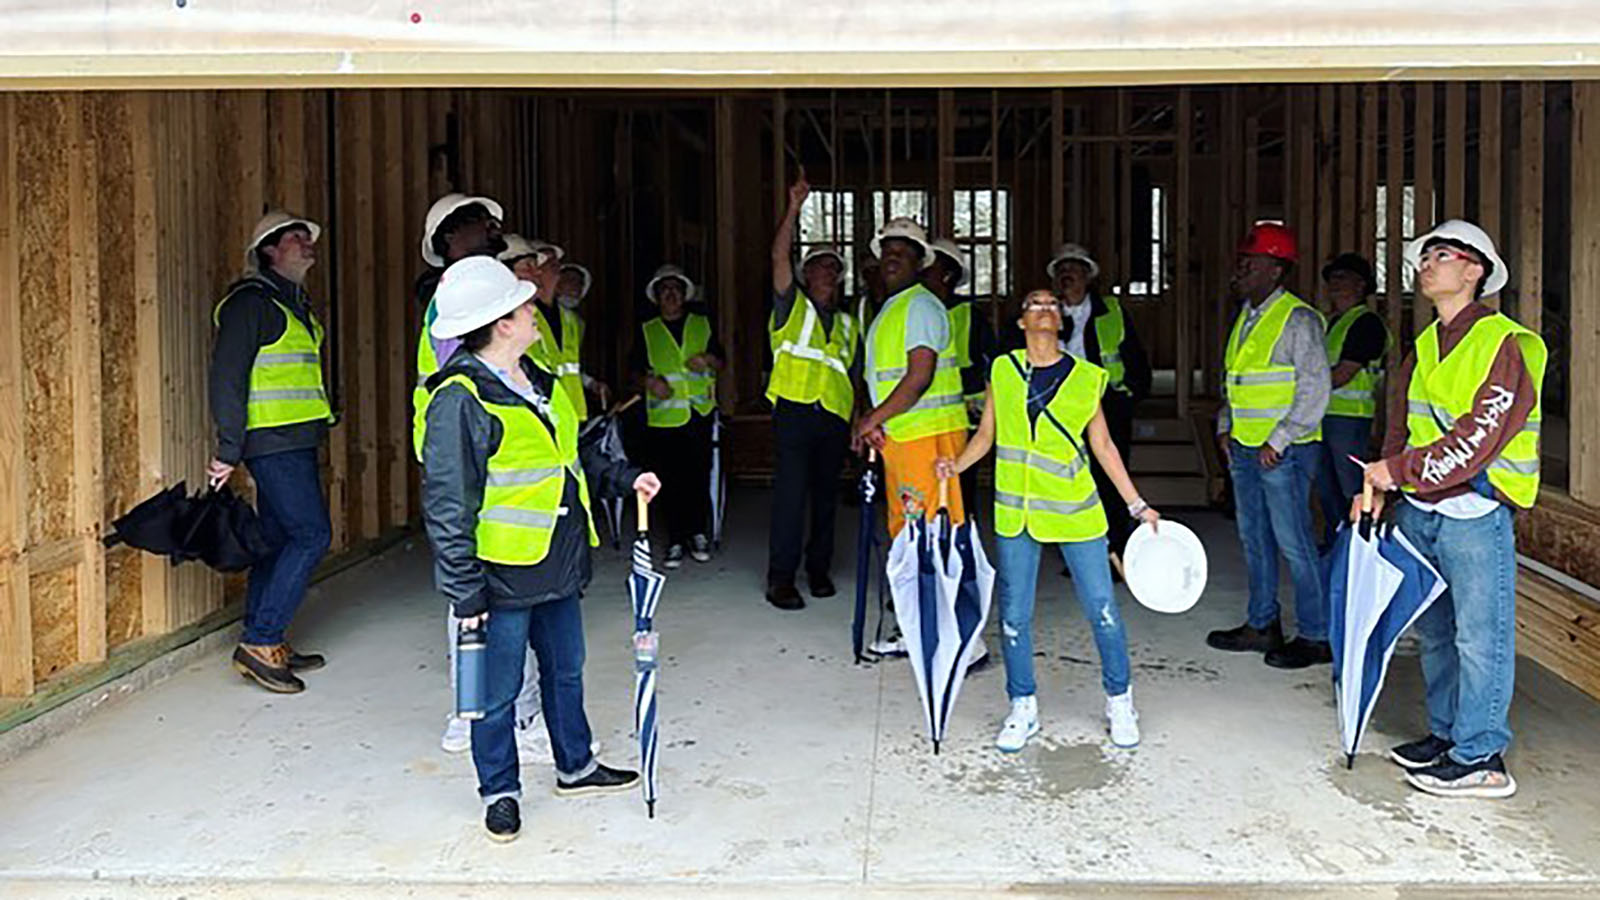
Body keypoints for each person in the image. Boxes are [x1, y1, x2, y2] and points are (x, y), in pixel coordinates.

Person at [417, 256, 657, 842]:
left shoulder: (541, 383)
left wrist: (624, 479)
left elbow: (572, 455)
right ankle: (499, 789)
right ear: (502, 323)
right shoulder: (460, 398)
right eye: (525, 308)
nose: (534, 313)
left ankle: (574, 765)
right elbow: (448, 504)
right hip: (500, 572)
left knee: (566, 670)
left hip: (557, 558)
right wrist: (463, 587)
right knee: (494, 694)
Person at [1359, 220, 1544, 799]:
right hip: (1422, 511)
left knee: (1479, 637)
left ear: (1475, 271)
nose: (1426, 264)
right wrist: (1382, 482)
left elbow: (1479, 437)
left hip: (1476, 512)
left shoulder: (1504, 344)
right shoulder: (1423, 346)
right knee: (1435, 632)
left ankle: (1482, 755)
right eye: (1424, 257)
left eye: (1441, 255)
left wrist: (1399, 473)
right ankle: (1446, 736)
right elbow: (1402, 425)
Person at [938, 289, 1160, 752]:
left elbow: (1103, 447)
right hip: (1016, 512)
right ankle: (1022, 706)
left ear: (1062, 322)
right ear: (1021, 323)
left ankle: (1120, 700)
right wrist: (955, 466)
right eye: (1034, 304)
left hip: (1075, 510)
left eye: (1052, 305)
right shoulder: (1002, 368)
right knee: (1015, 615)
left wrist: (1137, 505)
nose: (1044, 309)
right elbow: (986, 436)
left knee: (1102, 610)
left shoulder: (1087, 378)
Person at [208, 211, 335, 694]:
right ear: (268, 251)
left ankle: (266, 638)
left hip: (295, 440)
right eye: (296, 238)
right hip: (272, 443)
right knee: (311, 535)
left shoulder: (292, 302)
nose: (307, 244)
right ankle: (261, 641)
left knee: (280, 540)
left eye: (308, 236)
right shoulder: (250, 304)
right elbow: (227, 378)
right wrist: (228, 448)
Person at [1206, 223, 1333, 670]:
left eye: (1251, 262)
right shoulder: (1248, 315)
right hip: (1244, 446)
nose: (1241, 268)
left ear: (1276, 270)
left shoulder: (1298, 320)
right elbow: (1237, 380)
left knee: (1294, 542)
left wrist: (1279, 439)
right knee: (1253, 538)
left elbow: (1317, 388)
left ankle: (1317, 635)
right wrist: (1226, 425)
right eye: (1242, 260)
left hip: (1285, 450)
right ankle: (1262, 625)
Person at [764, 177, 860, 611]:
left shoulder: (848, 324)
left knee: (825, 498)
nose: (826, 272)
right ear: (806, 274)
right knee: (789, 497)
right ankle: (781, 579)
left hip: (833, 418)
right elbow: (776, 255)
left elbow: (855, 378)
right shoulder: (791, 306)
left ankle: (818, 571)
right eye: (818, 265)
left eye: (832, 267)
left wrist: (860, 421)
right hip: (794, 411)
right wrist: (794, 207)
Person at [1047, 243, 1153, 569]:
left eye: (1074, 270)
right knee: (1070, 484)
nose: (1068, 276)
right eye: (1062, 271)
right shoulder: (1047, 313)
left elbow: (1135, 359)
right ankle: (1080, 555)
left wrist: (1130, 396)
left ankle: (1116, 552)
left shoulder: (1111, 311)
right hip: (1061, 409)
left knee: (1109, 481)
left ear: (1087, 277)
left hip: (1107, 405)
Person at [631, 264, 725, 568]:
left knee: (698, 474)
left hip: (699, 413)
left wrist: (708, 360)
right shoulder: (646, 330)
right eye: (664, 290)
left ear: (685, 295)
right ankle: (674, 539)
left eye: (676, 289)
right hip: (664, 419)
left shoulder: (703, 323)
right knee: (668, 479)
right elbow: (632, 372)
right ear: (657, 297)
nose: (670, 294)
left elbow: (721, 360)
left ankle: (697, 533)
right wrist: (649, 383)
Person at [1314, 252, 1390, 545]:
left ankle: (1356, 546)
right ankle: (1337, 543)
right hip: (1323, 415)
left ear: (1361, 285)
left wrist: (1303, 392)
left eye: (1342, 278)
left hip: (1349, 418)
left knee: (1350, 488)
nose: (1335, 283)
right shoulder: (1331, 322)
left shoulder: (1366, 323)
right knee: (1326, 487)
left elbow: (1345, 373)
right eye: (1332, 278)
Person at [414, 193, 508, 422]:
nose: (494, 224)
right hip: (472, 436)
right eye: (478, 217)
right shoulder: (453, 298)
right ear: (449, 237)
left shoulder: (487, 290)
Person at [926, 238, 997, 522]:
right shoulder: (916, 308)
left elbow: (993, 362)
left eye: (930, 266)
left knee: (961, 481)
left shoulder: (970, 314)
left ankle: (962, 536)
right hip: (923, 413)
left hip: (963, 414)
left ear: (948, 274)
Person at [499, 237, 607, 420]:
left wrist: (590, 384)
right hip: (540, 414)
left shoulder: (571, 320)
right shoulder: (520, 314)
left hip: (572, 413)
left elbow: (569, 366)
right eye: (545, 262)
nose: (554, 267)